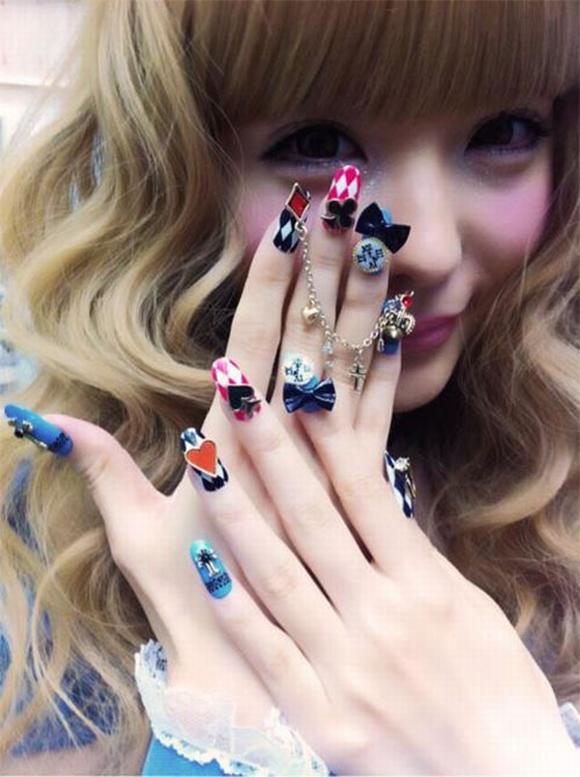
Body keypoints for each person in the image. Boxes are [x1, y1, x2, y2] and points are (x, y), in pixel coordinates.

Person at [0, 0, 578, 774]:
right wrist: (217, 737)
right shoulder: (41, 549)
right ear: (174, 167)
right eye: (319, 145)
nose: (433, 247)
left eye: (503, 131)